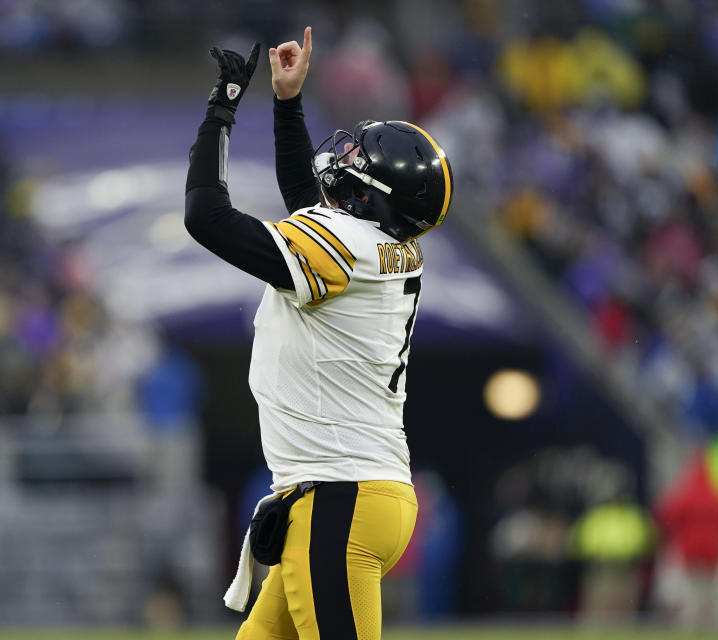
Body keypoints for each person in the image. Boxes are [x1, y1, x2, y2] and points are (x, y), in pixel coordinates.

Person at [184, 26, 453, 640]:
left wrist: (224, 102)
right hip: (358, 491)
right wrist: (287, 103)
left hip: (339, 498)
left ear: (370, 197)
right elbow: (308, 199)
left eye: (357, 163)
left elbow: (206, 215)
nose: (343, 164)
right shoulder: (385, 246)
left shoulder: (348, 247)